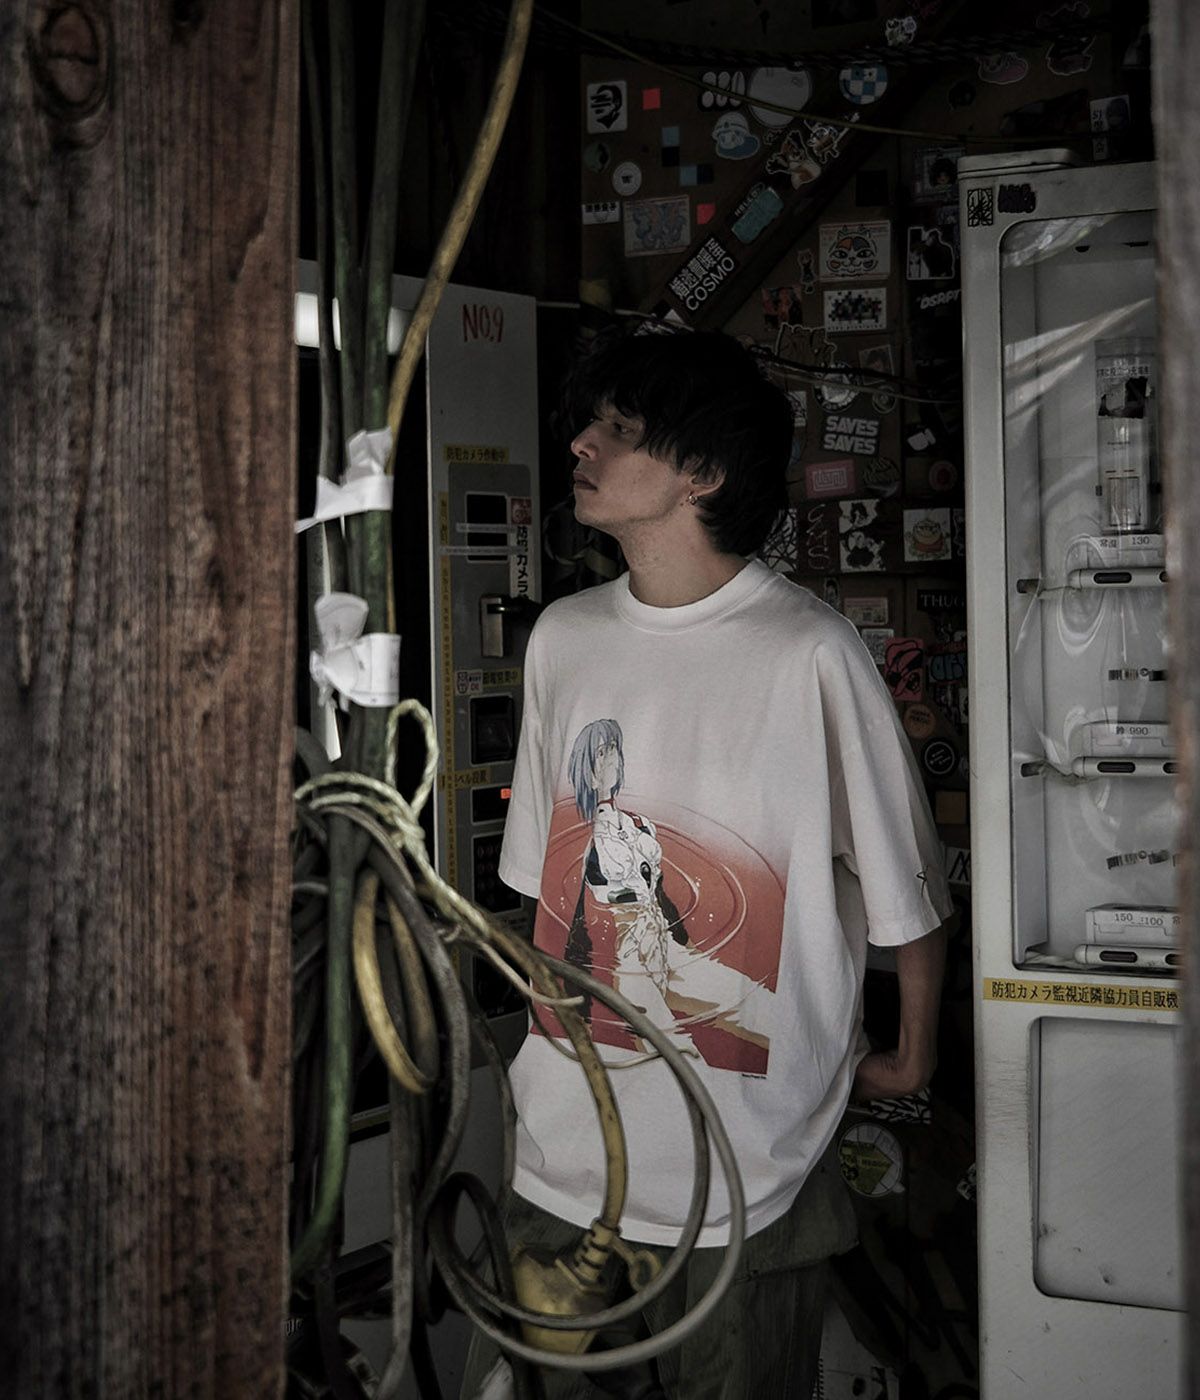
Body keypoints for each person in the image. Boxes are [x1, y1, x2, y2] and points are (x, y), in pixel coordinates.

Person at [460, 326, 951, 1399]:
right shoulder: (564, 637)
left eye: (619, 429)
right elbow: (539, 881)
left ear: (703, 472)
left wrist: (912, 1054)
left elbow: (906, 885)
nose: (581, 444)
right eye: (590, 424)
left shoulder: (806, 650)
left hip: (743, 1167)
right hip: (562, 1146)